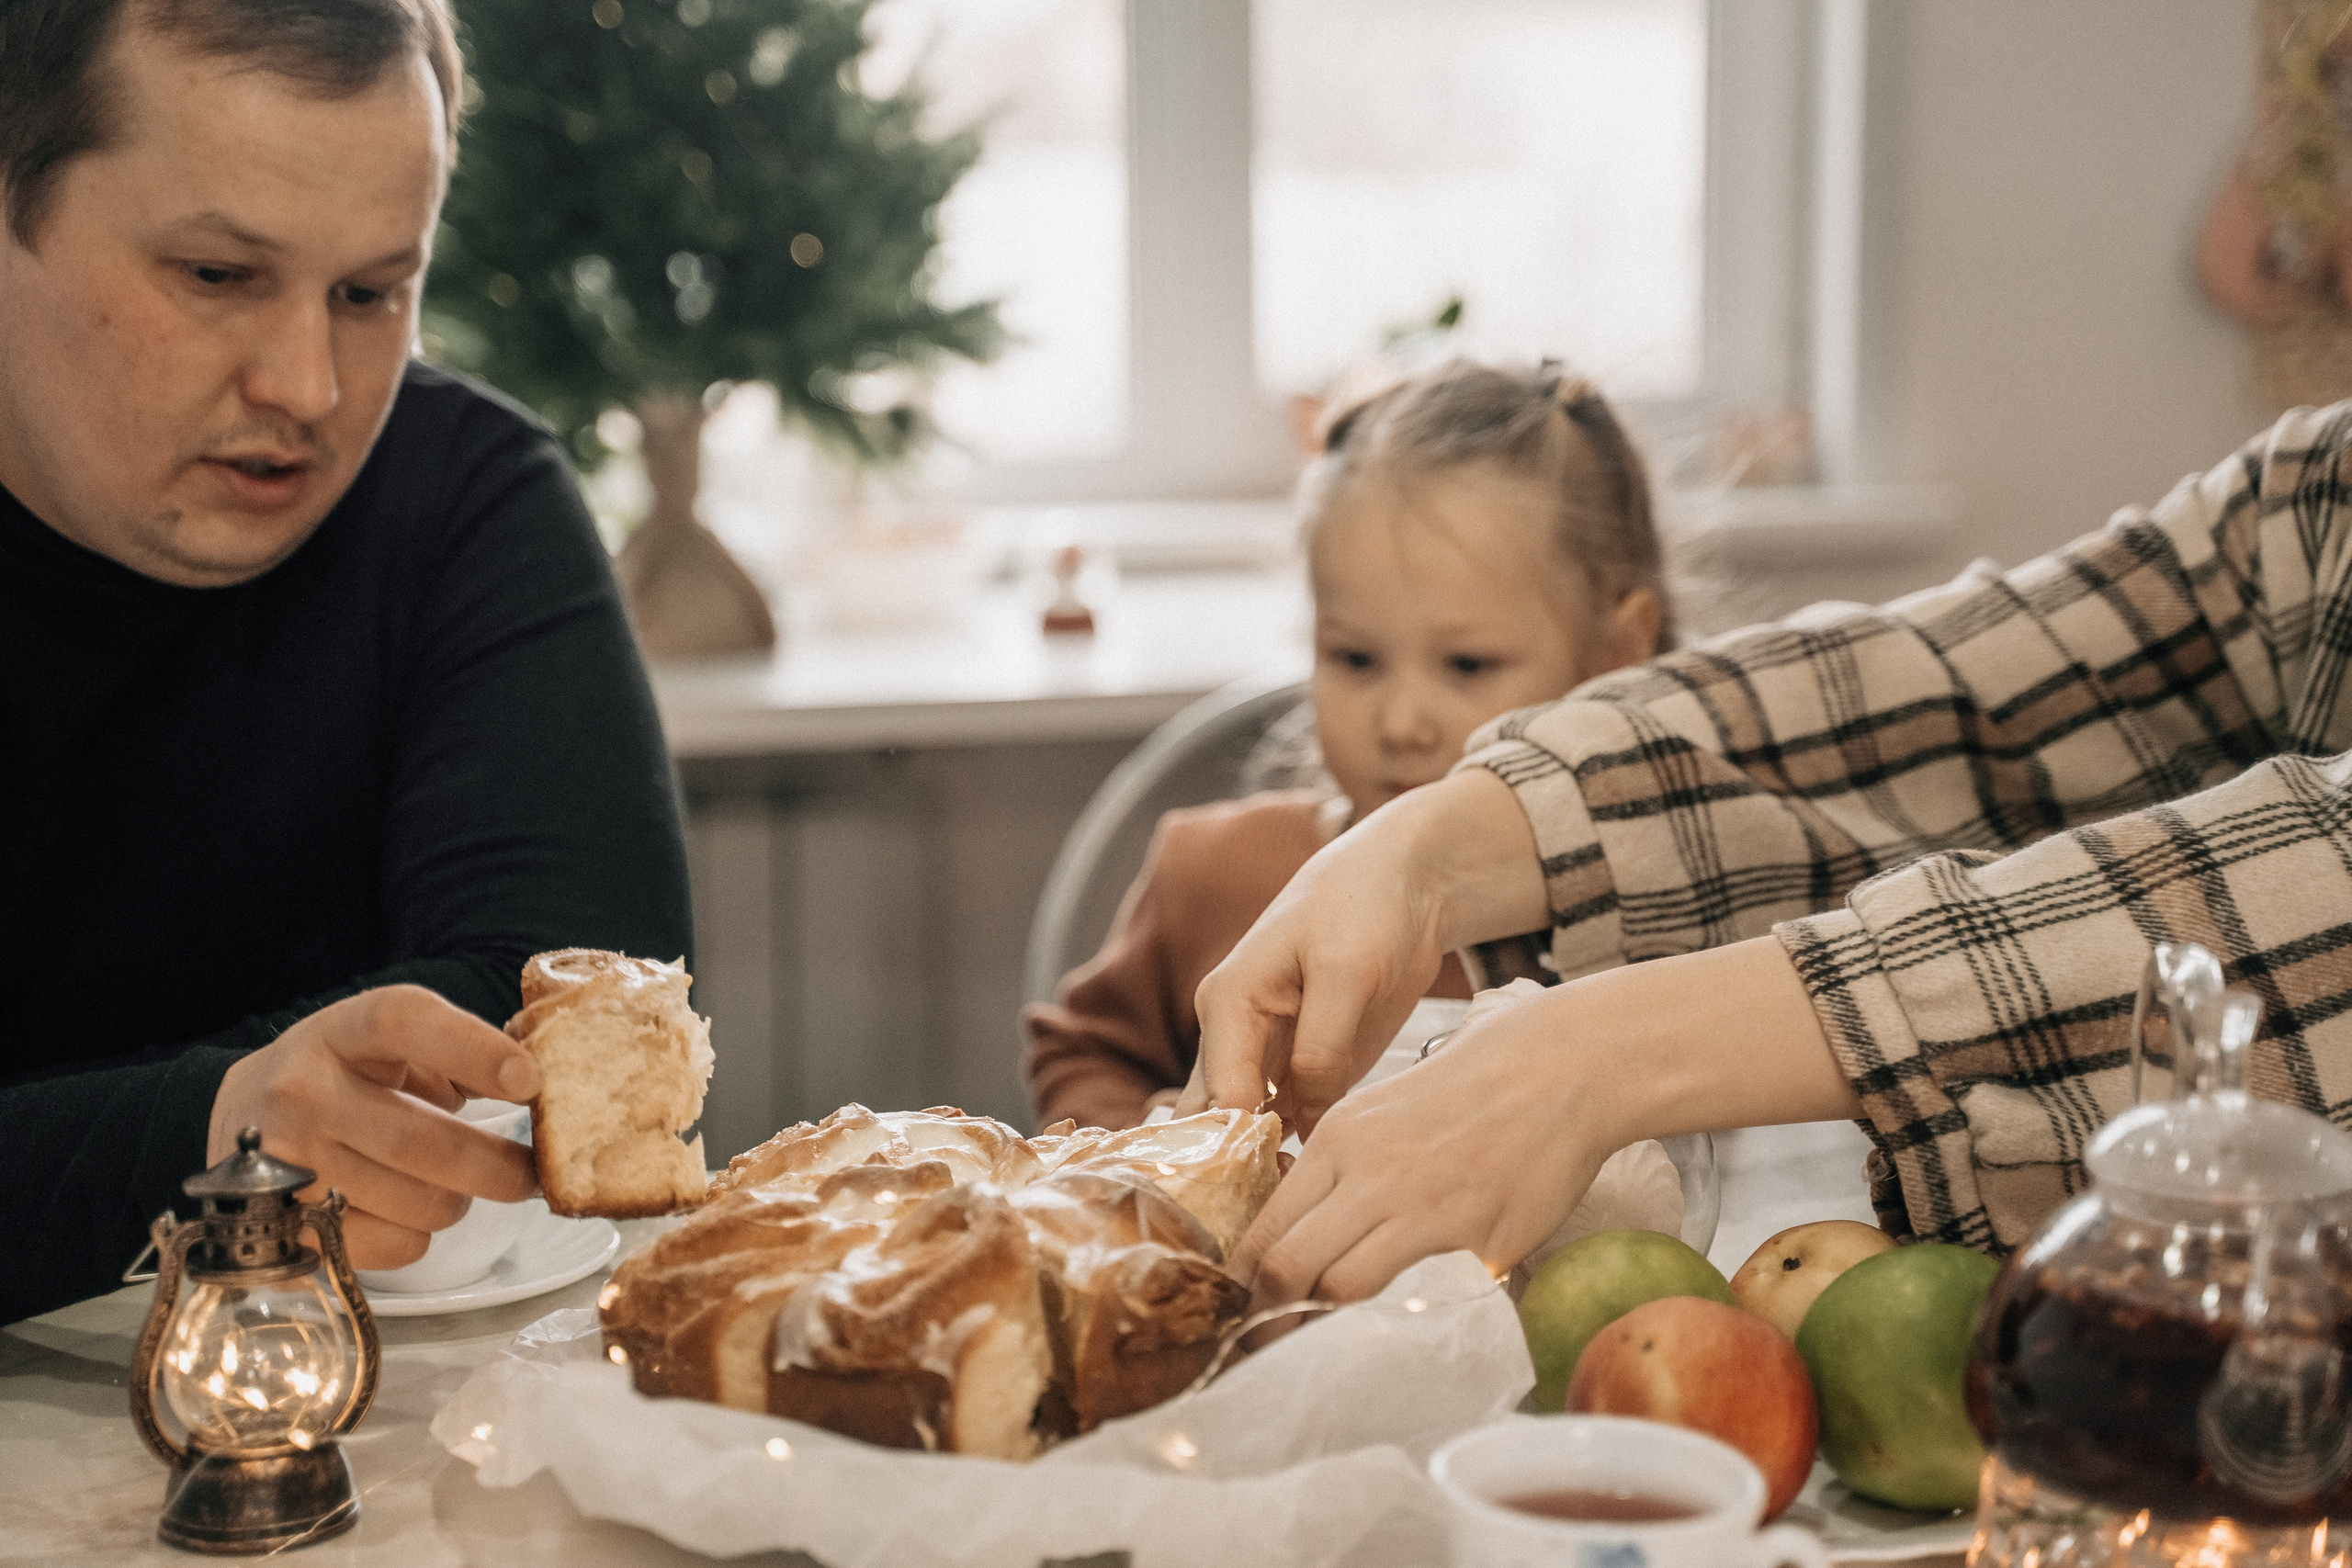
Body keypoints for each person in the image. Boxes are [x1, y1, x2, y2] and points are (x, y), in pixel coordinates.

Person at [1183, 400, 2352, 1306]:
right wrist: (1437, 844)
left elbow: (2301, 893)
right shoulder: (2321, 492)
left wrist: (1590, 1057)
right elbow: (1971, 692)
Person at [0, 0, 691, 1323]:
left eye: (373, 291)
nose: (309, 387)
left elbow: (562, 998)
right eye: (217, 274)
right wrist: (203, 1121)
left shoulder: (468, 495)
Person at [1024, 361, 1669, 1132]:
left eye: (1468, 665)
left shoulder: (1666, 900)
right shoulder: (1211, 870)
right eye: (1355, 659)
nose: (1401, 722)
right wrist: (1137, 1150)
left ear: (1616, 654)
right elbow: (1088, 1054)